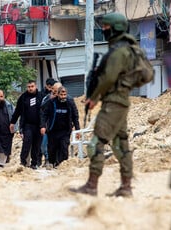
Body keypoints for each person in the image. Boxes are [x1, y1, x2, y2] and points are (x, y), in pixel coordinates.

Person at [70, 13, 138, 197]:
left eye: (106, 27)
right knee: (120, 144)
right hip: (120, 101)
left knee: (96, 143)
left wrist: (94, 98)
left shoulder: (118, 51)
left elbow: (108, 78)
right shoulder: (126, 49)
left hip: (113, 103)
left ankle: (92, 186)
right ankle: (126, 186)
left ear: (115, 28)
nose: (103, 30)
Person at [40, 86, 80, 168]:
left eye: (65, 94)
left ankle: (63, 166)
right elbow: (44, 114)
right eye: (61, 94)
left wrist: (77, 130)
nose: (63, 96)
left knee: (64, 148)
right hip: (53, 131)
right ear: (57, 94)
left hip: (65, 131)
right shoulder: (51, 102)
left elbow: (75, 116)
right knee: (52, 150)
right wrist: (43, 126)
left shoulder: (70, 102)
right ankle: (52, 164)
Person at [10, 80, 44, 169]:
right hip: (27, 125)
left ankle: (34, 163)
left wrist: (44, 125)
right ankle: (23, 162)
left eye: (32, 86)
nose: (30, 88)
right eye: (29, 87)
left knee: (37, 146)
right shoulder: (23, 97)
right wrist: (12, 122)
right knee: (26, 143)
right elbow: (17, 111)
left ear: (35, 86)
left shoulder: (41, 96)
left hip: (39, 125)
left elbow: (45, 111)